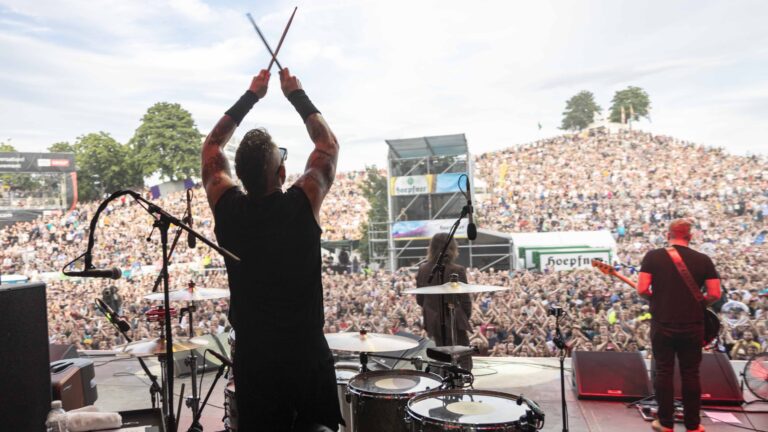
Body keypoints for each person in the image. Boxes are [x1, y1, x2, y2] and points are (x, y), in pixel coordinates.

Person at [201, 68, 342, 431]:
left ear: (240, 175)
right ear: (281, 174)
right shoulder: (302, 202)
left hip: (255, 362)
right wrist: (295, 93)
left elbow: (211, 147)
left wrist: (252, 95)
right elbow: (327, 146)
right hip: (305, 356)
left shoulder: (227, 209)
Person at [636, 219, 721, 432]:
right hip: (692, 324)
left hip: (663, 322)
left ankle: (666, 423)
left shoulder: (653, 257)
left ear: (668, 235)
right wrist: (699, 303)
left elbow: (642, 289)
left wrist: (658, 299)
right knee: (691, 373)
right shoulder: (703, 260)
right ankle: (693, 425)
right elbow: (715, 293)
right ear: (690, 237)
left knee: (663, 371)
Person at [415, 233, 473, 370]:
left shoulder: (423, 269)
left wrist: (432, 310)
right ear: (452, 248)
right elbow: (465, 302)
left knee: (441, 358)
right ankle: (463, 380)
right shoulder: (457, 270)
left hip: (433, 321)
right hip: (454, 321)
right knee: (463, 356)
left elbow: (420, 299)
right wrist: (463, 317)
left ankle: (443, 379)